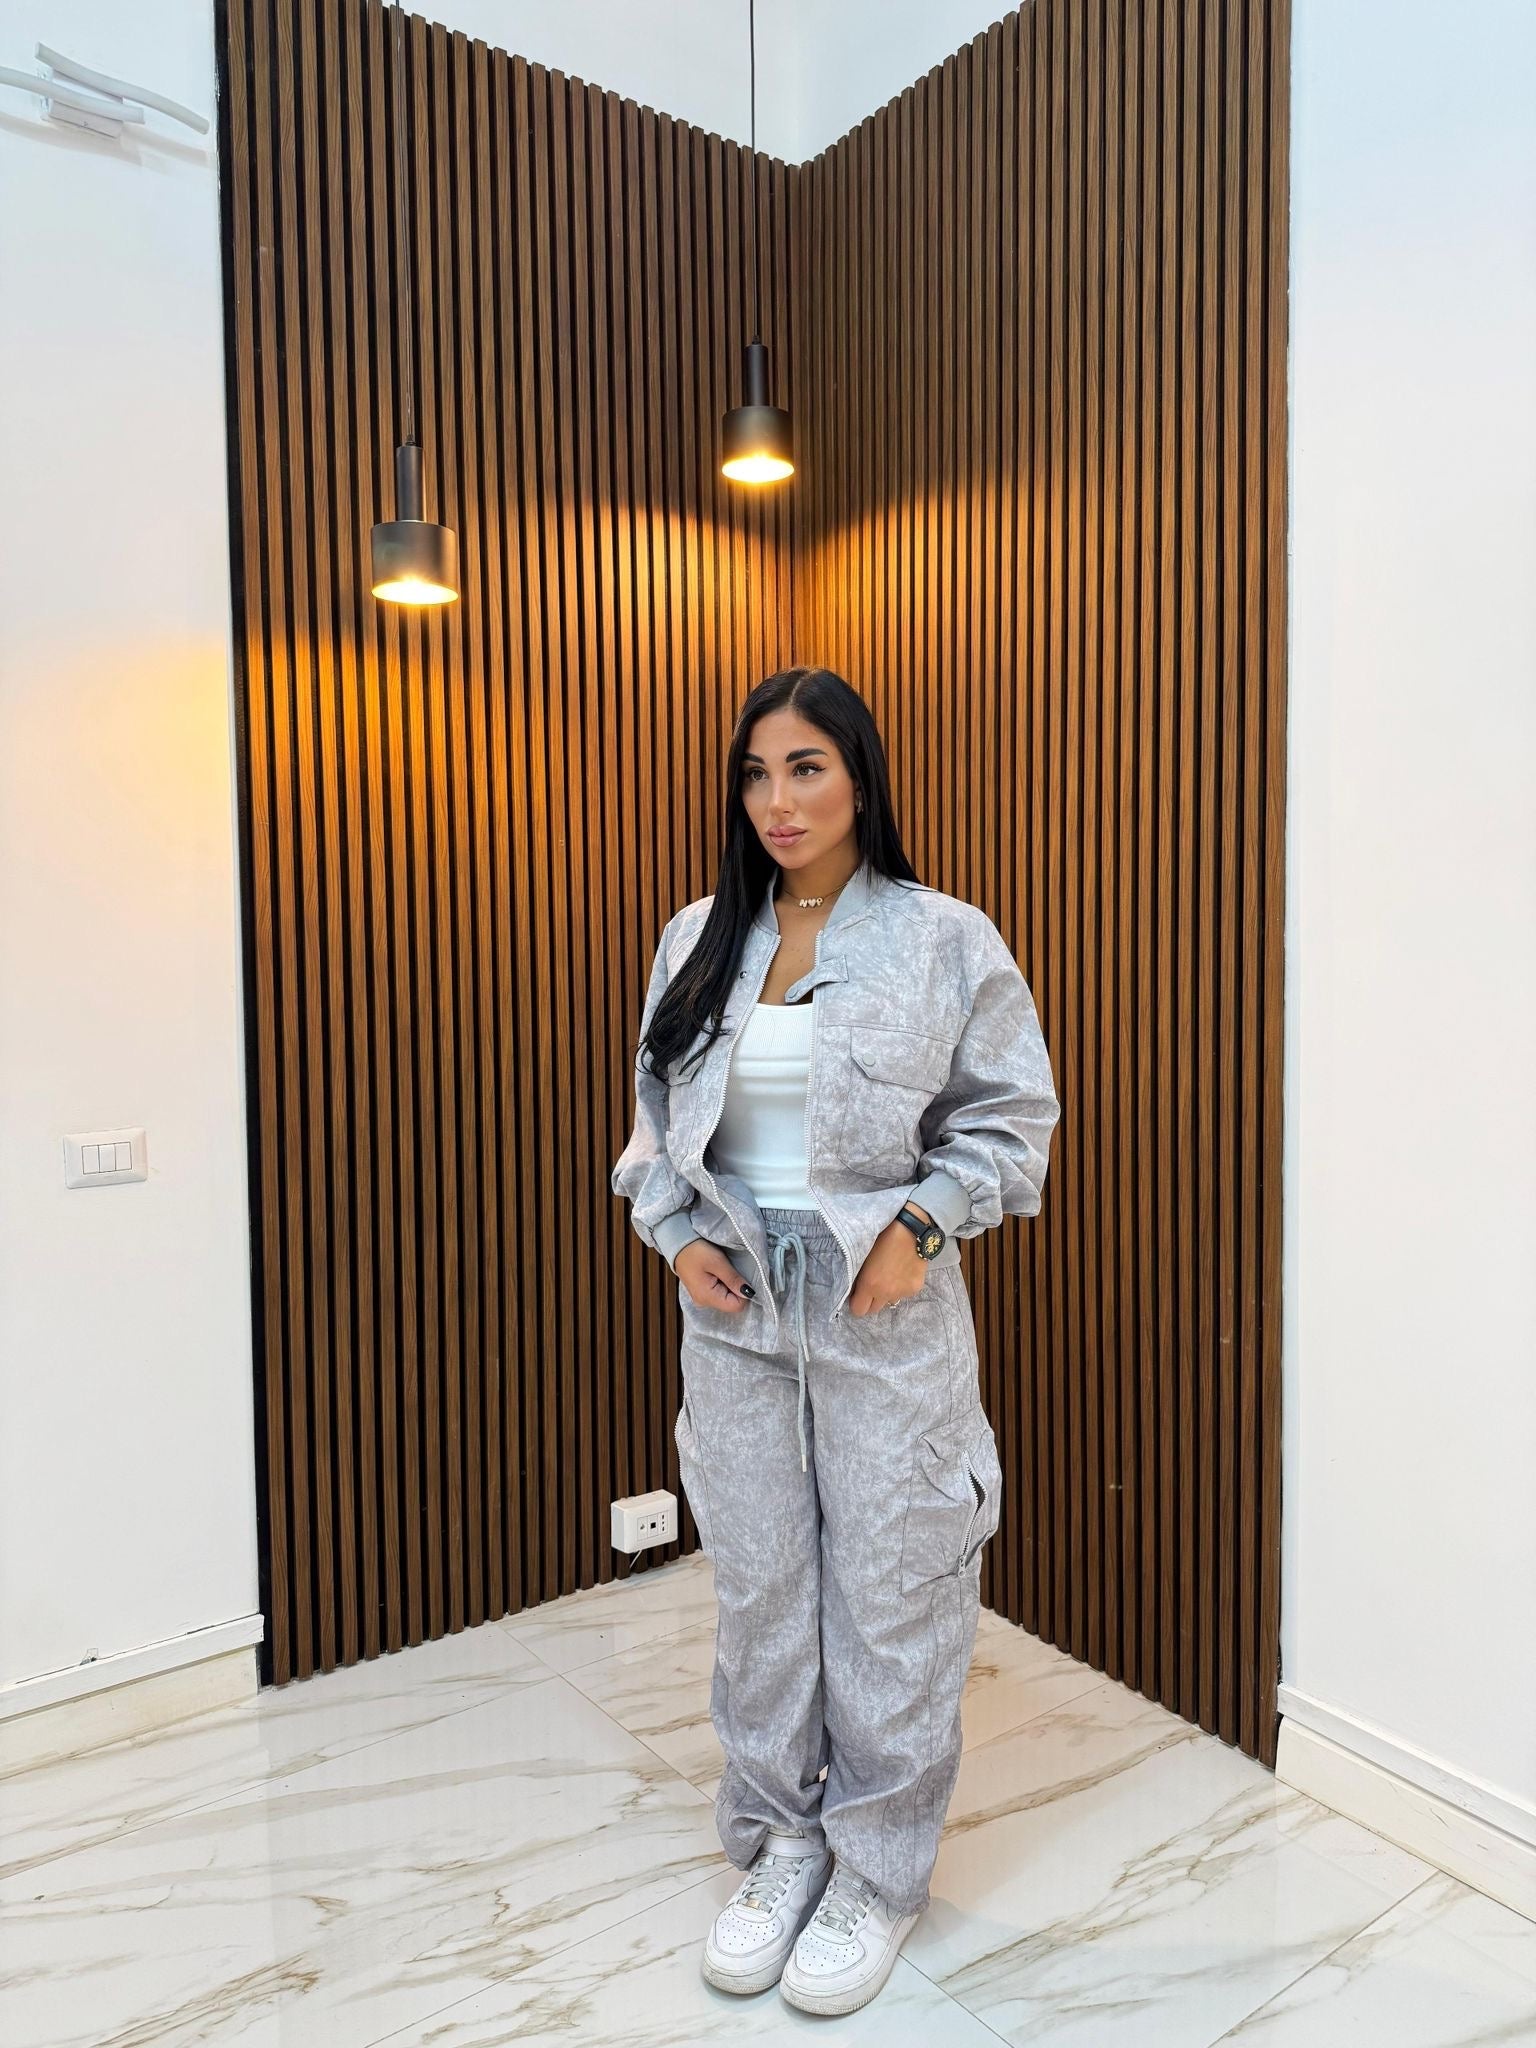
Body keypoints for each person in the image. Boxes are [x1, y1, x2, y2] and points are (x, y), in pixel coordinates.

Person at [610, 664, 1060, 2016]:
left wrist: (919, 1228)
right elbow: (653, 1127)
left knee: (893, 1592)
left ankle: (875, 1866)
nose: (779, 799)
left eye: (806, 766)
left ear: (858, 775)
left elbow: (1010, 1122)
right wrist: (672, 1234)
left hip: (883, 1320)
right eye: (757, 772)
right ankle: (782, 1842)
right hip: (736, 1320)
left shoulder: (944, 939)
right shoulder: (699, 936)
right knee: (760, 1593)